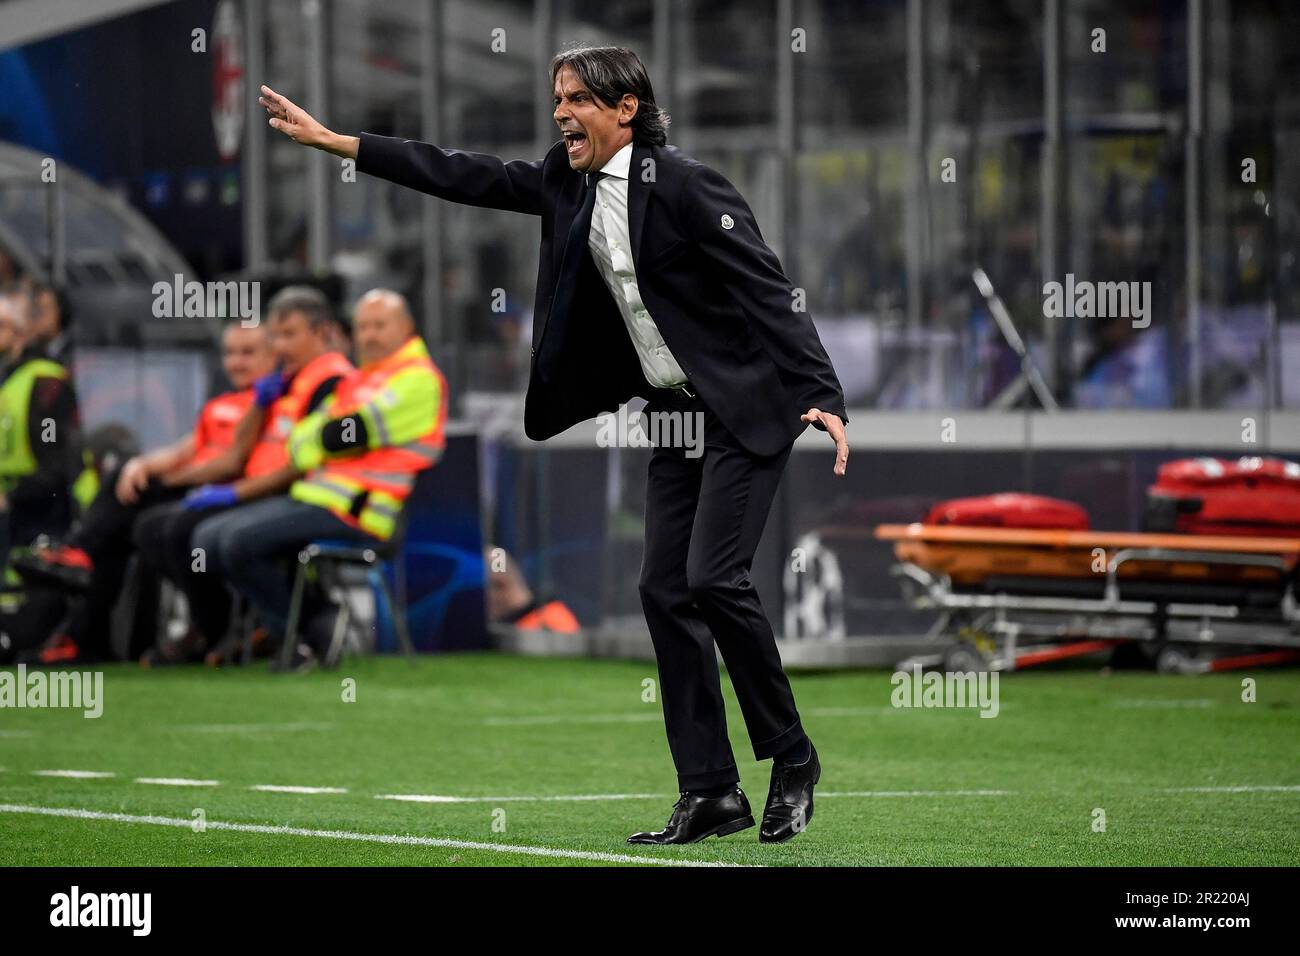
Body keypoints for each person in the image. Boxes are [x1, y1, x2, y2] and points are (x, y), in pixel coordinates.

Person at [260, 44, 849, 844]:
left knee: (712, 578)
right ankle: (710, 789)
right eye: (556, 99)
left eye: (576, 99)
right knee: (661, 589)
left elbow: (767, 287)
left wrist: (820, 392)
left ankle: (792, 756)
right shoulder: (563, 184)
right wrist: (343, 145)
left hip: (745, 412)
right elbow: (459, 172)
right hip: (672, 416)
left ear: (625, 108)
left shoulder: (685, 185)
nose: (561, 113)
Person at [191, 289, 446, 669]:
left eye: (380, 325)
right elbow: (301, 440)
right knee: (208, 538)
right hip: (317, 498)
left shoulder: (418, 379)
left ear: (406, 327)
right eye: (362, 326)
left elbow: (341, 433)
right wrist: (323, 436)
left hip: (363, 512)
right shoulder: (361, 379)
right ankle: (318, 621)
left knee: (235, 542)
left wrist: (325, 436)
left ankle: (299, 640)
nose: (370, 335)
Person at [14, 320, 276, 664]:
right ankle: (84, 634)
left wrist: (168, 478)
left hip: (226, 495)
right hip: (194, 491)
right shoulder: (222, 403)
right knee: (121, 512)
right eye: (230, 353)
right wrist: (143, 465)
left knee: (139, 515)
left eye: (248, 353)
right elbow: (186, 449)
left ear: (273, 355)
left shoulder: (269, 403)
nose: (237, 362)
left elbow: (232, 463)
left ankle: (80, 558)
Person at [131, 286, 353, 663]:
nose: (280, 345)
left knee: (212, 537)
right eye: (276, 336)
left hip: (312, 496)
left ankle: (295, 624)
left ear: (322, 333)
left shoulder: (332, 383)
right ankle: (234, 625)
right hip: (272, 490)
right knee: (159, 527)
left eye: (289, 334)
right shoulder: (289, 380)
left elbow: (302, 464)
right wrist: (261, 401)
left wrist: (235, 494)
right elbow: (243, 446)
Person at [0, 291, 82, 577]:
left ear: (22, 331)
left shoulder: (46, 382)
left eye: (1, 325)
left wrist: (10, 495)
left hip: (39, 521)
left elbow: (56, 464)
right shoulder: (9, 378)